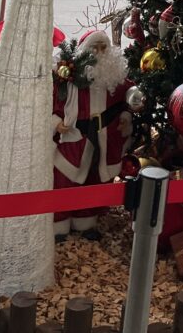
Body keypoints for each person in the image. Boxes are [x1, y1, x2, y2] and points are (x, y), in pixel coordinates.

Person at [52, 29, 133, 241]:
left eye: (103, 47)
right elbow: (54, 101)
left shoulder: (114, 78)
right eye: (93, 48)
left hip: (104, 139)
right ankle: (59, 223)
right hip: (74, 138)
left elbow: (128, 97)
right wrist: (55, 122)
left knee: (94, 181)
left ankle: (85, 220)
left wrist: (126, 115)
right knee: (64, 181)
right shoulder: (68, 79)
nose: (98, 52)